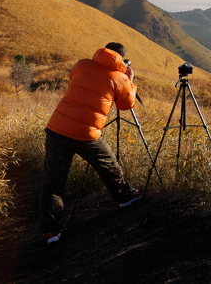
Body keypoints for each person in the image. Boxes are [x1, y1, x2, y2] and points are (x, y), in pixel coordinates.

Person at [39, 42, 142, 244]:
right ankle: (125, 197)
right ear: (121, 59)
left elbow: (75, 80)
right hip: (86, 133)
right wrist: (130, 81)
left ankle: (50, 231)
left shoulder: (82, 64)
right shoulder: (121, 78)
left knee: (53, 181)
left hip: (56, 128)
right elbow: (125, 105)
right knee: (108, 164)